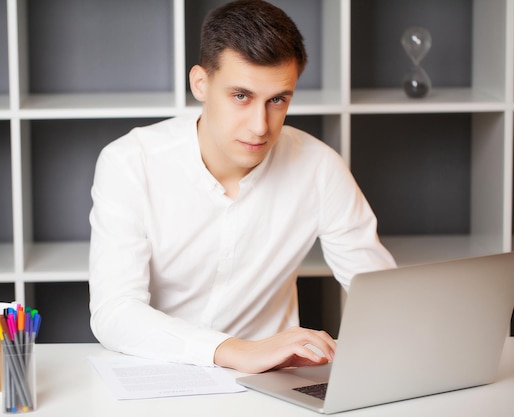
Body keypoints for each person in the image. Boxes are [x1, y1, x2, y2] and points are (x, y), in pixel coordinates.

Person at [88, 0, 396, 374]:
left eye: (277, 100)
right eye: (241, 96)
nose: (260, 126)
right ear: (200, 83)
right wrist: (237, 351)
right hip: (161, 372)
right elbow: (114, 312)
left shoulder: (319, 166)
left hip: (277, 382)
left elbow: (382, 295)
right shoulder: (129, 162)